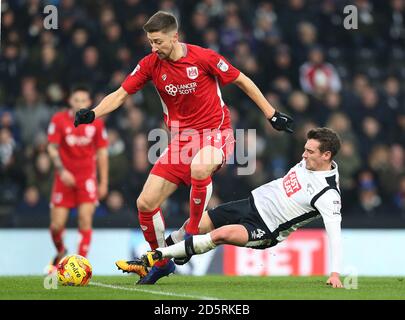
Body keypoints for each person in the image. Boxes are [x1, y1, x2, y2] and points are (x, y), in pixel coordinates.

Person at [74, 11, 293, 284]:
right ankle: (161, 260)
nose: (153, 48)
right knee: (145, 203)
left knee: (200, 168)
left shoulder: (203, 58)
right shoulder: (150, 64)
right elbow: (121, 94)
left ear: (174, 36)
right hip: (181, 142)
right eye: (150, 42)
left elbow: (242, 80)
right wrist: (93, 114)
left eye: (158, 41)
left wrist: (272, 114)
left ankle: (190, 234)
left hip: (217, 132)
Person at [138, 128, 344, 288]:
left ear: (326, 155)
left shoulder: (328, 194)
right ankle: (163, 258)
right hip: (251, 204)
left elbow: (334, 235)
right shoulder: (309, 162)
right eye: (305, 149)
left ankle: (158, 257)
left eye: (309, 151)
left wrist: (334, 273)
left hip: (266, 227)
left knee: (221, 235)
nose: (304, 154)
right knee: (197, 224)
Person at [47, 85, 109, 271]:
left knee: (84, 219)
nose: (80, 104)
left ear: (89, 103)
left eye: (84, 100)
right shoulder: (58, 120)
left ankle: (79, 265)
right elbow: (51, 147)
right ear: (70, 102)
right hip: (64, 178)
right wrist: (61, 170)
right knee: (56, 226)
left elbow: (102, 152)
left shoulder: (96, 123)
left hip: (86, 179)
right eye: (77, 100)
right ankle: (61, 250)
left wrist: (104, 181)